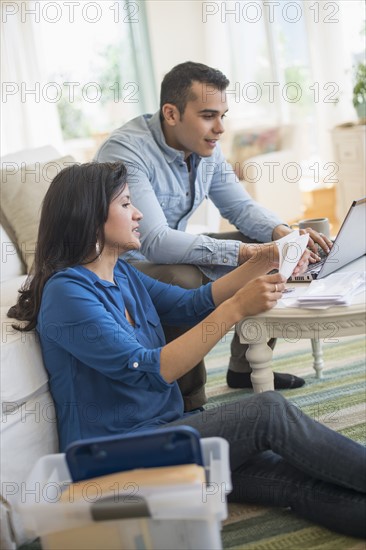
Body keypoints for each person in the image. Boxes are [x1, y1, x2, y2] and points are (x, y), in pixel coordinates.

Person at [9, 162, 365, 539]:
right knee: (267, 412)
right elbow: (155, 369)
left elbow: (191, 304)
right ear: (91, 216)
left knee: (288, 477)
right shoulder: (68, 293)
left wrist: (265, 259)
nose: (139, 213)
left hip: (166, 434)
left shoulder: (122, 273)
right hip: (112, 461)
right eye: (126, 203)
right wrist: (236, 308)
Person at [94, 61, 333, 410]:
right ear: (171, 113)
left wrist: (285, 235)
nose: (220, 128)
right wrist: (253, 253)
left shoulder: (206, 146)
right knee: (183, 277)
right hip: (126, 261)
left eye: (223, 115)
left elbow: (239, 207)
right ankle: (189, 399)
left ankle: (244, 367)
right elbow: (155, 240)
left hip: (166, 247)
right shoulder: (127, 151)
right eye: (208, 115)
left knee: (298, 240)